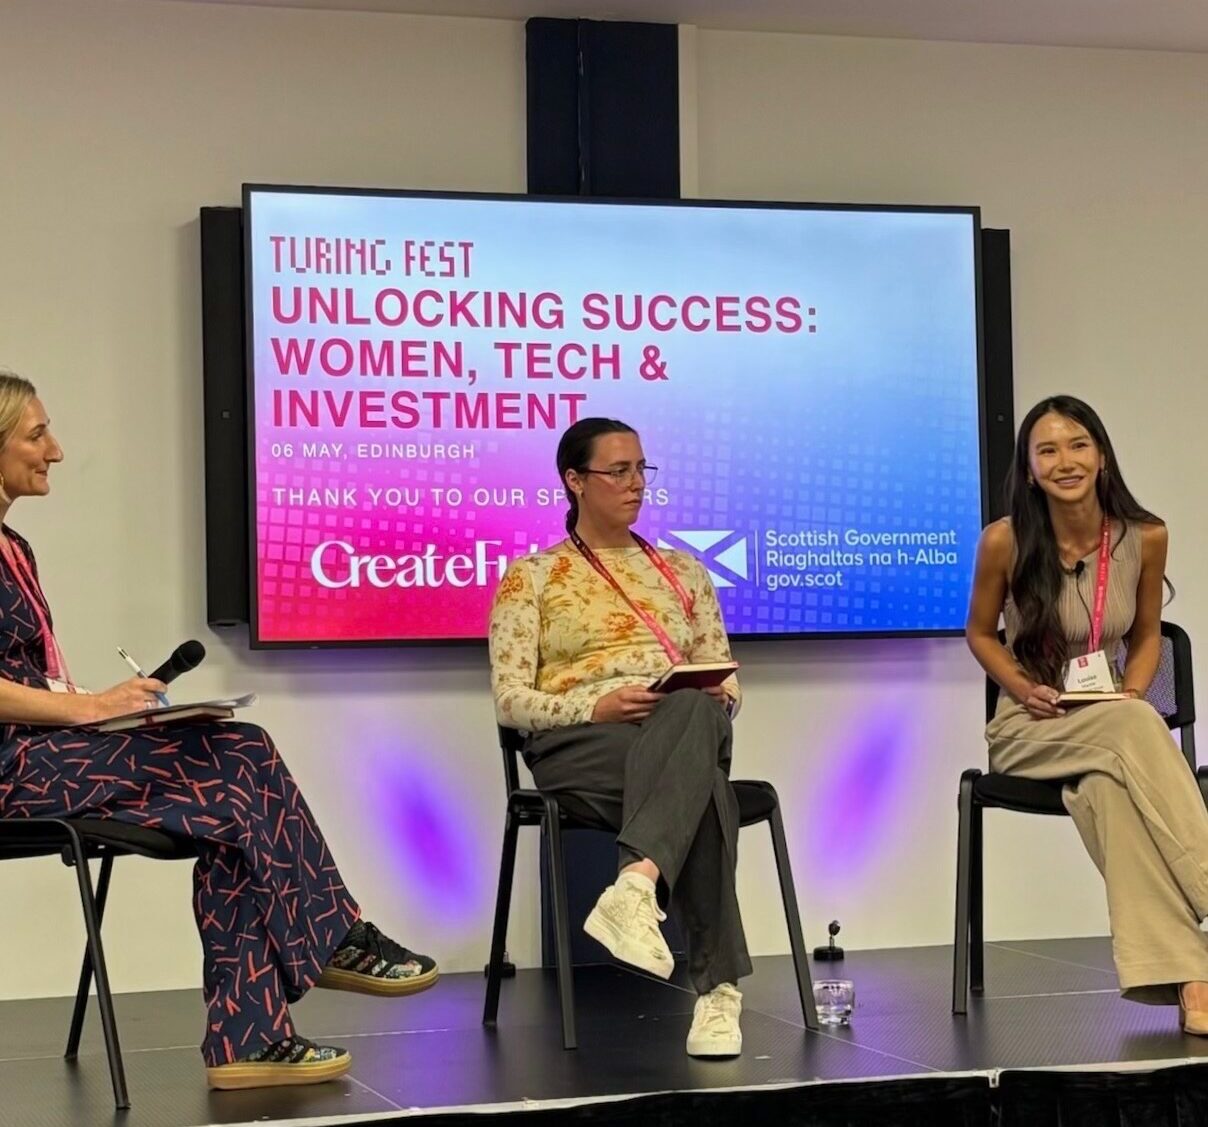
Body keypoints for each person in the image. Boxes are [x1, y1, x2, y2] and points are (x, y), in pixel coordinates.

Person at [0, 372, 438, 1089]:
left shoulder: (14, 547)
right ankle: (327, 933)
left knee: (235, 811)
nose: (57, 450)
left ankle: (250, 1039)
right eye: (37, 433)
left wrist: (110, 705)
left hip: (41, 754)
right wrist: (87, 709)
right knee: (242, 753)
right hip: (11, 771)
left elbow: (25, 677)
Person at [488, 417, 750, 1057]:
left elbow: (727, 677)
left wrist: (719, 694)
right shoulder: (533, 577)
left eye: (641, 470)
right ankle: (718, 993)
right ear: (575, 481)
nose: (636, 484)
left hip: (676, 729)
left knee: (693, 712)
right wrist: (596, 705)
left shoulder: (684, 571)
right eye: (618, 471)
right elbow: (510, 699)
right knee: (706, 791)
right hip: (583, 741)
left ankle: (635, 884)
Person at [966, 393, 1208, 1031]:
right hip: (1030, 727)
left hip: (1108, 717)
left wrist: (1132, 692)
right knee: (1132, 729)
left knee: (1110, 789)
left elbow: (1148, 635)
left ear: (1101, 456)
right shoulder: (1004, 541)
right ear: (1029, 470)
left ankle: (1192, 981)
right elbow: (981, 634)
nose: (1065, 461)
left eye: (1078, 445)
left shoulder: (1146, 536)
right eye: (1047, 450)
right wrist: (1021, 688)